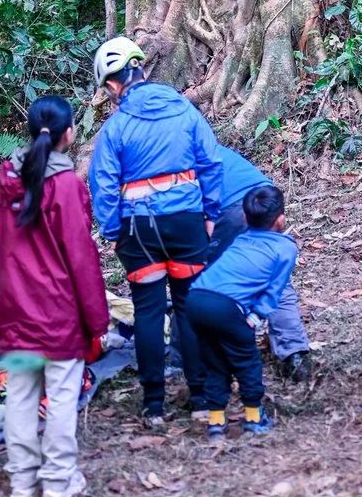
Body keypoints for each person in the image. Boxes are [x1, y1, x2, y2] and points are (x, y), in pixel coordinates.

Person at [87, 36, 223, 431]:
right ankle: (199, 400)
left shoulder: (116, 128)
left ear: (113, 84)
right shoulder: (184, 110)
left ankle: (153, 406)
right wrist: (209, 213)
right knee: (188, 307)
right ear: (141, 69)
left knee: (148, 311)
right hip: (185, 223)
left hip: (140, 230)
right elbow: (211, 163)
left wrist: (114, 230)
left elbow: (104, 184)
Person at [0, 95, 109, 497]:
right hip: (58, 314)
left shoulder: (7, 181)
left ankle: (22, 484)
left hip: (15, 311)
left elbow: (0, 252)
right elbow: (81, 258)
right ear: (69, 134)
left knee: (20, 398)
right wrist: (98, 321)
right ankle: (58, 483)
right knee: (60, 398)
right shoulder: (67, 186)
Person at [187, 183, 298, 439]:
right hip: (225, 307)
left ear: (245, 218)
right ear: (281, 219)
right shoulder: (285, 248)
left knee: (214, 361)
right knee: (246, 362)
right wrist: (255, 316)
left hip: (195, 298)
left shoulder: (240, 239)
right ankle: (254, 417)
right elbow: (274, 290)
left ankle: (216, 422)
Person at [205, 145, 310, 380]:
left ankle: (209, 359)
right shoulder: (194, 134)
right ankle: (294, 353)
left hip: (228, 208)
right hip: (262, 196)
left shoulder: (160, 155)